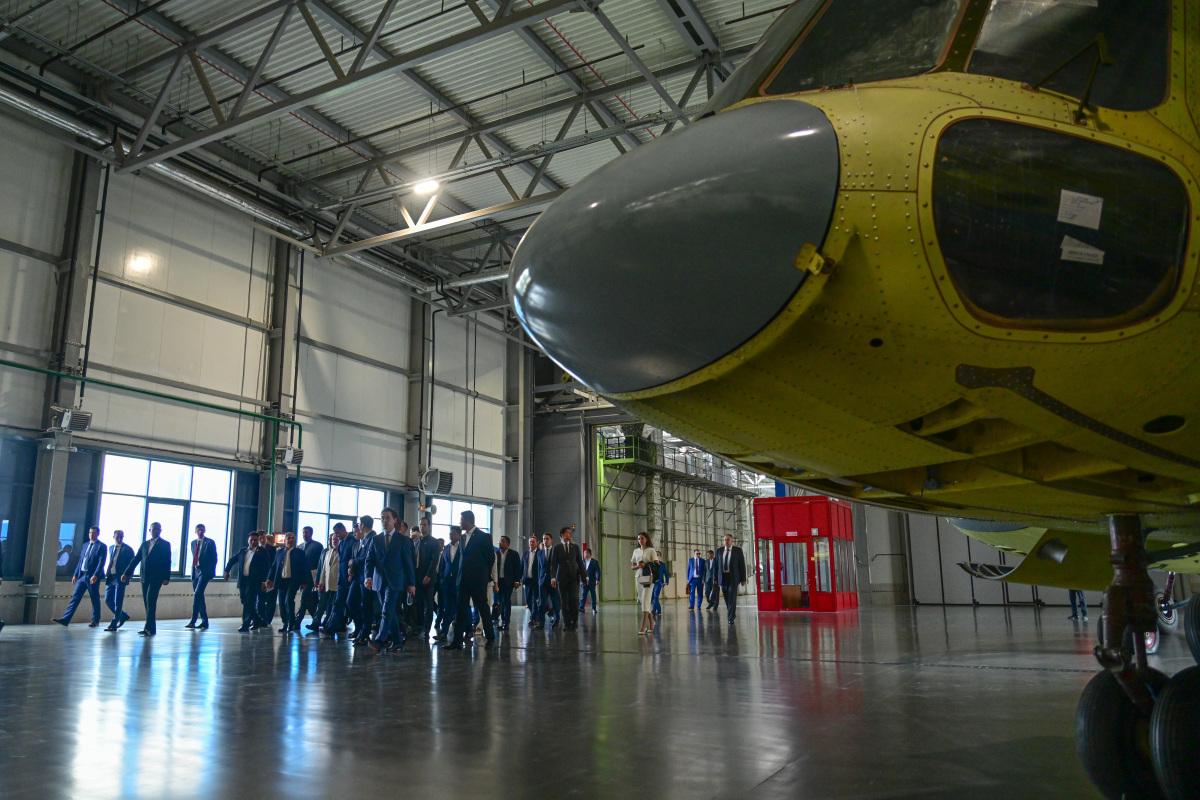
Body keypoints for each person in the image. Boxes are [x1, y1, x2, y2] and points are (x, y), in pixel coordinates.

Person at [364, 508, 415, 653]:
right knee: (389, 613)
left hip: (395, 582)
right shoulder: (376, 539)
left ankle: (380, 640)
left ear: (394, 520)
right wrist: (368, 577)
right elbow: (369, 560)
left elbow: (408, 563)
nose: (384, 521)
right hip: (379, 582)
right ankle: (398, 641)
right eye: (382, 518)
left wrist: (411, 583)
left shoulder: (403, 540)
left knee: (386, 611)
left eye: (387, 518)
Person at [447, 510, 495, 650]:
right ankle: (456, 641)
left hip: (477, 580)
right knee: (460, 610)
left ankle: (490, 636)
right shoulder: (462, 538)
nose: (459, 523)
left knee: (482, 608)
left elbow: (490, 558)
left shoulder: (483, 537)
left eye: (461, 520)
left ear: (468, 520)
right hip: (463, 581)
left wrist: (483, 576)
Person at [121, 521, 172, 636]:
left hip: (157, 578)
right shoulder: (144, 544)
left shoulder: (165, 544)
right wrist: (126, 573)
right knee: (147, 602)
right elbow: (136, 559)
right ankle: (150, 628)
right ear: (150, 530)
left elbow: (167, 561)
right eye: (154, 529)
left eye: (158, 529)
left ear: (160, 531)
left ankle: (149, 628)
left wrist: (166, 577)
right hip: (144, 577)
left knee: (151, 600)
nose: (156, 531)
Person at [56, 526, 106, 627]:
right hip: (82, 575)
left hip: (92, 577)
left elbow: (101, 562)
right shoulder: (85, 545)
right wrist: (75, 574)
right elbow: (80, 561)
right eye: (90, 532)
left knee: (94, 598)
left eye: (94, 533)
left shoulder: (101, 546)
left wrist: (96, 575)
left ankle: (95, 620)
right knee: (75, 597)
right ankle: (66, 619)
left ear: (98, 534)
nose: (91, 534)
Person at [266, 532, 311, 634]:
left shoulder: (299, 552)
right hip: (281, 581)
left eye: (293, 538)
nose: (291, 540)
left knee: (288, 601)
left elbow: (304, 567)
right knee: (282, 603)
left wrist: (304, 582)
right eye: (289, 538)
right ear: (285, 540)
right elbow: (274, 566)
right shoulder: (279, 552)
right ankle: (285, 623)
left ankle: (291, 623)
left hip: (293, 581)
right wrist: (269, 578)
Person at [225, 532, 271, 632]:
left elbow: (267, 567)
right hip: (243, 581)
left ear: (258, 541)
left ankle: (245, 624)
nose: (253, 542)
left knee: (249, 602)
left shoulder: (262, 552)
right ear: (248, 540)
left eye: (255, 540)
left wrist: (265, 581)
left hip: (254, 582)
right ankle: (258, 620)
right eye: (251, 540)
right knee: (244, 601)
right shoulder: (243, 551)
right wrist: (227, 571)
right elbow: (232, 560)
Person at [549, 526, 586, 630]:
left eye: (570, 533)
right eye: (566, 533)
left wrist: (585, 577)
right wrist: (553, 577)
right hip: (562, 578)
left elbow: (580, 563)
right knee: (564, 602)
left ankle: (574, 621)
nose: (569, 535)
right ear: (562, 535)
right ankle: (567, 623)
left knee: (574, 600)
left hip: (574, 578)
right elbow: (553, 564)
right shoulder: (557, 548)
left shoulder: (575, 547)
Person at [413, 515, 441, 640]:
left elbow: (434, 561)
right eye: (420, 524)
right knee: (417, 604)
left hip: (428, 578)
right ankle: (418, 627)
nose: (422, 527)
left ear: (429, 526)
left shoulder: (434, 542)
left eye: (424, 524)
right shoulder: (416, 541)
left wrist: (428, 575)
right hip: (416, 577)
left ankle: (427, 630)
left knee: (429, 605)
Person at [186, 524, 217, 630]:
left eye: (202, 530)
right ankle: (205, 621)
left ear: (205, 531)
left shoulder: (210, 542)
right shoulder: (193, 543)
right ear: (195, 531)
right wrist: (193, 572)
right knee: (199, 596)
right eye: (199, 530)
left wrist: (211, 572)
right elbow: (194, 557)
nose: (200, 532)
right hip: (195, 571)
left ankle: (193, 620)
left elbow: (214, 558)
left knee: (197, 593)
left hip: (205, 572)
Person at [103, 530, 135, 631]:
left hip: (121, 578)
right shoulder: (111, 548)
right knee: (107, 600)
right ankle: (123, 615)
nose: (120, 539)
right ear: (113, 537)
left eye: (121, 537)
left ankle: (114, 623)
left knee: (118, 601)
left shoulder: (128, 549)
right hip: (111, 577)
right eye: (117, 537)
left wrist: (128, 576)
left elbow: (132, 564)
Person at [294, 526, 324, 630]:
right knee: (308, 601)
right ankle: (316, 621)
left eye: (306, 532)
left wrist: (319, 579)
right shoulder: (299, 546)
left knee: (304, 599)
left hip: (312, 578)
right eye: (303, 532)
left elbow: (321, 563)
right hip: (301, 579)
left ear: (311, 533)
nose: (304, 534)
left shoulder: (318, 546)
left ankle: (297, 622)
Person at [436, 525, 463, 641]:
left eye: (453, 533)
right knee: (447, 607)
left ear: (459, 535)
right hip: (447, 582)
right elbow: (442, 565)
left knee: (461, 608)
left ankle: (467, 630)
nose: (450, 535)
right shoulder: (446, 548)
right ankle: (444, 632)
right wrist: (442, 578)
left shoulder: (463, 547)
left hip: (459, 582)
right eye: (450, 533)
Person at [348, 521, 373, 644]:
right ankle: (359, 627)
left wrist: (353, 562)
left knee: (366, 605)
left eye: (357, 531)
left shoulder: (371, 539)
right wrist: (350, 568)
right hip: (357, 577)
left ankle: (365, 632)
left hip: (366, 577)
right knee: (350, 602)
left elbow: (367, 558)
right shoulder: (357, 544)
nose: (355, 534)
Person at [312, 528, 341, 634]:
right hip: (326, 583)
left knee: (332, 606)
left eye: (336, 539)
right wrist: (321, 582)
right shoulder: (327, 552)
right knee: (321, 604)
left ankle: (327, 625)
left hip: (337, 584)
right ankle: (315, 624)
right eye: (333, 539)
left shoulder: (342, 552)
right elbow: (323, 568)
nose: (335, 541)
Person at [716, 534, 747, 625]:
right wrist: (715, 578)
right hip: (723, 577)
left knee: (732, 597)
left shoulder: (738, 550)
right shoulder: (719, 551)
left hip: (733, 577)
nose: (726, 541)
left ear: (731, 540)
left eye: (728, 539)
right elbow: (716, 566)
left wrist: (743, 579)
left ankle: (730, 618)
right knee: (726, 597)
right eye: (725, 539)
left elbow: (742, 565)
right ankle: (731, 612)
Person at [631, 532, 657, 635]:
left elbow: (656, 564)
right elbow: (632, 566)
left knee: (646, 600)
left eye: (642, 538)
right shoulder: (636, 551)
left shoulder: (651, 550)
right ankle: (652, 623)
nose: (640, 540)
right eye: (638, 539)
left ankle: (643, 626)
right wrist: (639, 566)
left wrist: (646, 564)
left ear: (646, 539)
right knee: (643, 601)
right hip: (639, 578)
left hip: (649, 578)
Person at [493, 535, 521, 631]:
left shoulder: (514, 554)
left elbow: (518, 568)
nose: (500, 543)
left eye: (503, 541)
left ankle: (506, 623)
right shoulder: (496, 553)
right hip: (498, 581)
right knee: (500, 602)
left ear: (508, 544)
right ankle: (503, 621)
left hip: (508, 581)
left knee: (506, 601)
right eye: (500, 541)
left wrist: (517, 580)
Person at [536, 532, 560, 629]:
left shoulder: (556, 551)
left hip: (553, 581)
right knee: (542, 603)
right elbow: (539, 568)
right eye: (543, 539)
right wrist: (539, 580)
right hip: (542, 581)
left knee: (555, 602)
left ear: (551, 540)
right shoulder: (539, 553)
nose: (545, 540)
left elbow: (558, 567)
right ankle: (541, 623)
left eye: (547, 539)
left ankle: (557, 620)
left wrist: (556, 579)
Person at [258, 533, 278, 626]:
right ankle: (261, 618)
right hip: (260, 579)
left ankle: (268, 619)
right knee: (261, 600)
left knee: (271, 600)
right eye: (260, 538)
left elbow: (274, 565)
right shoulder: (256, 549)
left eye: (263, 537)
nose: (262, 539)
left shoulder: (273, 550)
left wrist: (271, 578)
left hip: (271, 579)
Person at [521, 536, 540, 625]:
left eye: (533, 542)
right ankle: (535, 615)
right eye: (530, 542)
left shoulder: (540, 553)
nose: (531, 543)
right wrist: (519, 579)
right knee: (528, 600)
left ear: (536, 543)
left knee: (535, 600)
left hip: (536, 581)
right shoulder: (525, 553)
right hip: (527, 580)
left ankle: (534, 618)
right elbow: (521, 566)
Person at [580, 545, 601, 614]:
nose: (584, 555)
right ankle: (581, 608)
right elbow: (579, 571)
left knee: (593, 596)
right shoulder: (582, 562)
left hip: (592, 581)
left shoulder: (594, 562)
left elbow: (597, 571)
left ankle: (594, 608)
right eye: (584, 553)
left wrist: (597, 579)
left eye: (586, 553)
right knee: (583, 595)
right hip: (584, 582)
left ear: (589, 554)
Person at [650, 552, 670, 617]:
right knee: (652, 597)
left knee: (655, 596)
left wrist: (666, 581)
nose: (656, 556)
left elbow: (666, 574)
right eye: (655, 555)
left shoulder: (662, 564)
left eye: (657, 555)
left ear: (660, 557)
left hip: (659, 582)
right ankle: (654, 610)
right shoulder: (651, 564)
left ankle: (658, 610)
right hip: (651, 583)